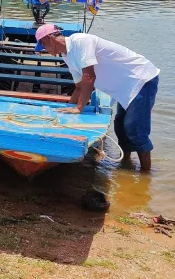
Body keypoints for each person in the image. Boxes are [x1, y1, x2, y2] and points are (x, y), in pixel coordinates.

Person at [34, 24, 159, 172]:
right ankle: (126, 163)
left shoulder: (80, 41)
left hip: (140, 78)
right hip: (123, 87)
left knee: (135, 129)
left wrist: (79, 108)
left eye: (43, 46)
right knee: (120, 126)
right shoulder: (66, 55)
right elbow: (80, 86)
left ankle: (145, 175)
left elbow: (89, 76)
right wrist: (67, 110)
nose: (45, 51)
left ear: (49, 38)